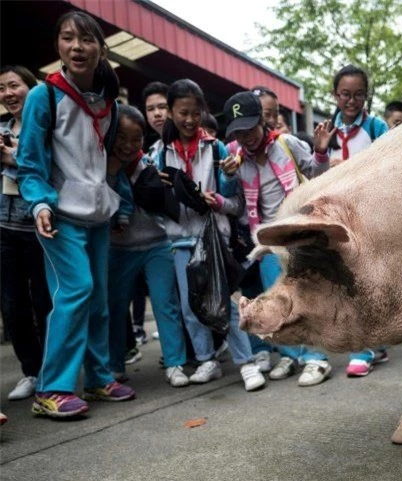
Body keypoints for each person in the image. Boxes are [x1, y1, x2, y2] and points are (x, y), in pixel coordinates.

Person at [16, 11, 136, 418]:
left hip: (97, 216)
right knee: (76, 290)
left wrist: (116, 208)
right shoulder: (43, 96)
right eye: (68, 38)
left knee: (98, 299)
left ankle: (100, 378)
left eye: (86, 39)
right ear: (58, 47)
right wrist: (40, 203)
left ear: (101, 49)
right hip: (59, 216)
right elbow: (29, 161)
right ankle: (51, 389)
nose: (77, 47)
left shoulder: (107, 102)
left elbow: (104, 164)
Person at [155, 79, 261, 390]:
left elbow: (236, 204)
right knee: (190, 307)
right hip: (180, 240)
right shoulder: (160, 152)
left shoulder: (216, 149)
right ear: (171, 112)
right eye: (182, 113)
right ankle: (207, 360)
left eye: (195, 113)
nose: (189, 120)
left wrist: (226, 181)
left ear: (204, 112)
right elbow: (154, 207)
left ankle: (247, 363)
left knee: (225, 302)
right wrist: (160, 191)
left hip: (214, 237)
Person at [224, 91, 333, 386]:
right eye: (238, 132)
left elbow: (316, 173)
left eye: (249, 128)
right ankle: (292, 355)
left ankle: (316, 359)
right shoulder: (235, 159)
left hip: (294, 236)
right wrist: (225, 184)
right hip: (263, 243)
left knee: (301, 300)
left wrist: (320, 151)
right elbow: (233, 205)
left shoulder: (286, 144)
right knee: (275, 300)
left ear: (262, 120)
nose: (245, 137)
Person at [106, 104, 190, 387]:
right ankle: (115, 366)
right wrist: (109, 174)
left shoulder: (151, 166)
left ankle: (175, 364)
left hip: (157, 245)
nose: (129, 145)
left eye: (136, 139)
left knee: (166, 304)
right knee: (116, 307)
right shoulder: (100, 167)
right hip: (118, 249)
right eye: (122, 138)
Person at [315, 64, 389, 376]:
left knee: (364, 278)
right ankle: (368, 344)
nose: (351, 100)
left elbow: (391, 164)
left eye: (359, 94)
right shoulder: (326, 130)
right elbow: (314, 176)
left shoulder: (375, 127)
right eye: (345, 94)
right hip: (337, 214)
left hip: (368, 213)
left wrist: (353, 168)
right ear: (335, 95)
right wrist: (321, 155)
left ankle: (366, 347)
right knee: (345, 279)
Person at [0, 65, 51, 402]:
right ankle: (31, 371)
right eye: (2, 88)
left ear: (31, 90)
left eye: (14, 85)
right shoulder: (1, 128)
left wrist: (11, 157)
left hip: (38, 226)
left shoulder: (45, 128)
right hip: (3, 227)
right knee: (11, 303)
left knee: (44, 300)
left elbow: (48, 166)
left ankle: (51, 370)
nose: (7, 93)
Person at [142, 81, 168, 158]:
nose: (156, 113)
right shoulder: (150, 155)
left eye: (162, 107)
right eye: (150, 109)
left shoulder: (194, 143)